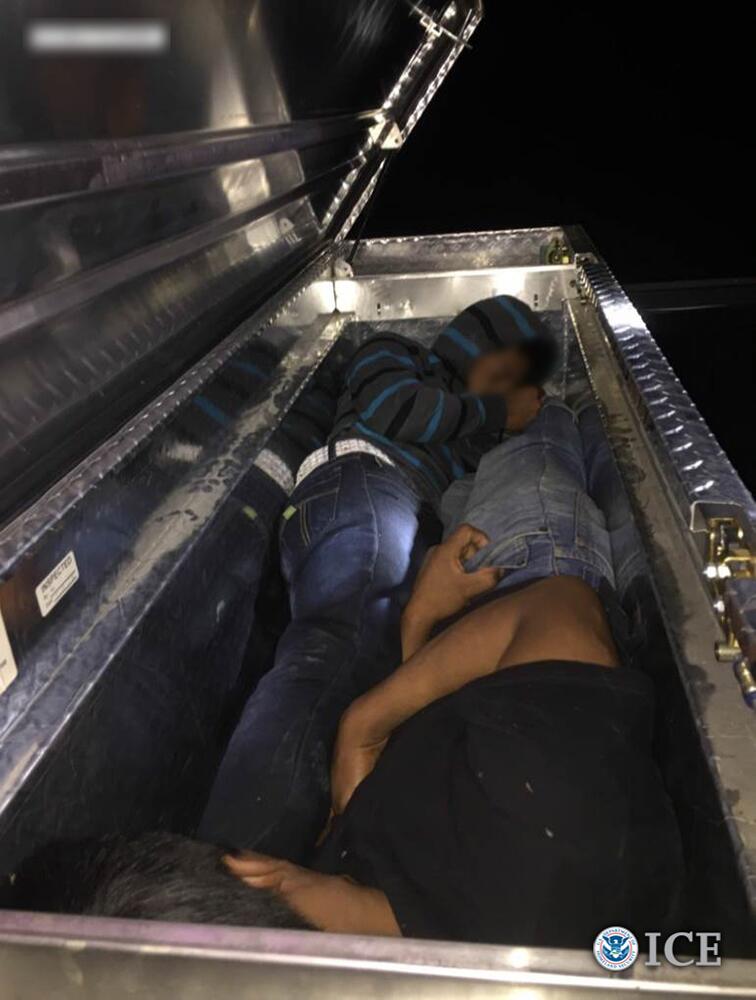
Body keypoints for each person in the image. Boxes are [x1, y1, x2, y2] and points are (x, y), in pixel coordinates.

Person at [8, 396, 683, 948]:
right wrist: (362, 722)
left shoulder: (342, 916)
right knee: (551, 433)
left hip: (463, 641)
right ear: (260, 878)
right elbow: (560, 607)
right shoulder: (548, 843)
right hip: (530, 581)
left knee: (521, 456)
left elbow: (394, 819)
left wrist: (418, 627)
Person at [198, 295, 558, 861]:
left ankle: (299, 855)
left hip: (398, 511)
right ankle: (228, 873)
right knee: (340, 646)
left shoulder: (471, 431)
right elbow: (395, 409)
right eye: (505, 371)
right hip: (365, 481)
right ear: (475, 346)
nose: (507, 390)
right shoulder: (399, 354)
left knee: (366, 663)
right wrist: (496, 412)